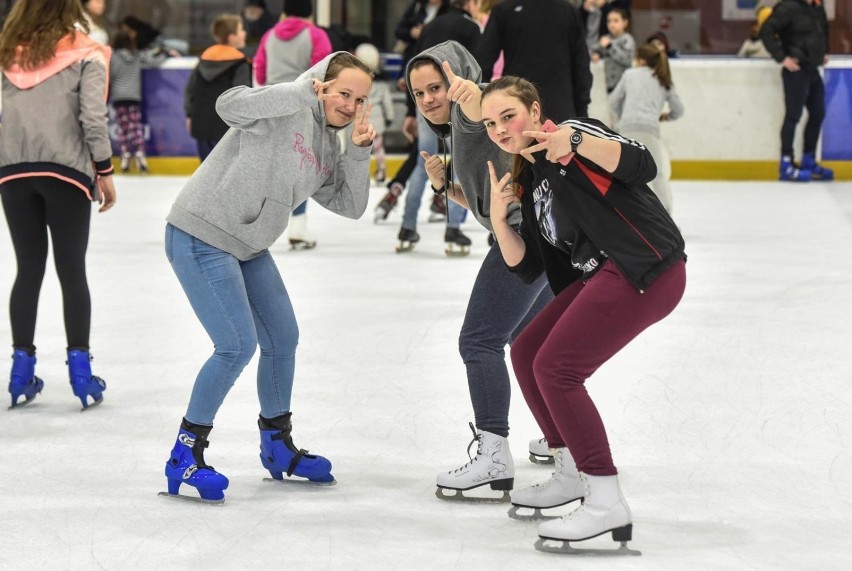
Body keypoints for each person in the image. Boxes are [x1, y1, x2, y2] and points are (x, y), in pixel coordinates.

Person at [480, 75, 686, 550]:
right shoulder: (531, 179)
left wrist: (573, 142)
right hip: (605, 274)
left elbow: (643, 164)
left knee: (557, 369)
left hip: (645, 265)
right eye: (491, 124)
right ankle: (570, 472)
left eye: (508, 116)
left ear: (533, 110)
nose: (501, 129)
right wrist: (497, 220)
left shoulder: (574, 133)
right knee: (528, 350)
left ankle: (606, 501)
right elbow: (529, 266)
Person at [161, 52, 375, 503]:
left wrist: (358, 151)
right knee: (235, 345)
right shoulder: (285, 106)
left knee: (283, 337)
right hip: (202, 232)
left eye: (360, 99)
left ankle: (277, 446)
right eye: (344, 93)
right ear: (321, 83)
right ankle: (185, 453)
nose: (351, 105)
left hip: (247, 246)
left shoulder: (328, 145)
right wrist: (299, 92)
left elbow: (350, 205)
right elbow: (228, 104)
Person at [405, 41, 554, 500]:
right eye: (420, 92)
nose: (430, 98)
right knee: (530, 344)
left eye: (438, 86)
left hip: (524, 238)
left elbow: (477, 104)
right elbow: (485, 203)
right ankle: (563, 438)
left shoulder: (476, 109)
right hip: (541, 236)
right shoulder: (455, 128)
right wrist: (443, 187)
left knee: (479, 340)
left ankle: (492, 456)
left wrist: (468, 97)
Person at [0, 0, 117, 410]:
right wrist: (104, 170)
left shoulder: (5, 52)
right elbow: (92, 117)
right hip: (66, 172)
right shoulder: (85, 52)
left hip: (12, 173)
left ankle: (19, 371)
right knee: (71, 271)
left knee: (28, 269)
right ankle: (81, 373)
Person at [394, 0, 480, 255]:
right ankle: (453, 227)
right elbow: (478, 67)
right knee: (459, 163)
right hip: (459, 102)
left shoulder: (431, 25)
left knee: (424, 163)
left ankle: (407, 226)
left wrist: (413, 110)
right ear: (470, 4)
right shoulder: (471, 27)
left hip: (426, 105)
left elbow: (416, 71)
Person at [254, 0, 333, 249]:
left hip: (273, 105)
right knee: (301, 167)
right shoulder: (316, 35)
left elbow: (260, 70)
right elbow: (325, 73)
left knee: (272, 167)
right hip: (303, 108)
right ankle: (298, 226)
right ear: (310, 13)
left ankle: (257, 225)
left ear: (285, 12)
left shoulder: (268, 36)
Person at [477, 0, 592, 123]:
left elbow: (482, 63)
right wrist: (582, 111)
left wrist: (484, 105)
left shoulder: (504, 9)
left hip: (518, 108)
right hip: (558, 109)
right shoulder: (569, 10)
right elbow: (581, 65)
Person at [760, 0, 833, 182]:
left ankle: (808, 159)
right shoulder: (788, 7)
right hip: (796, 70)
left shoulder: (816, 6)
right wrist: (781, 57)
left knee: (818, 113)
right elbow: (766, 30)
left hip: (812, 69)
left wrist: (822, 52)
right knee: (793, 116)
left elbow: (822, 29)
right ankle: (786, 163)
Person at [609, 43, 684, 212]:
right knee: (657, 175)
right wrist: (665, 116)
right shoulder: (663, 79)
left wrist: (622, 119)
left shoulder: (629, 74)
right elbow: (679, 109)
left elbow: (613, 101)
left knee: (624, 175)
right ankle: (667, 219)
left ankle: (622, 215)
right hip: (650, 131)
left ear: (641, 60)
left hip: (627, 129)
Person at [184, 14, 252, 162]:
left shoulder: (204, 58)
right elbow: (241, 97)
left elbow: (191, 89)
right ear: (232, 36)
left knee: (206, 172)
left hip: (201, 123)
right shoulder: (240, 63)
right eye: (241, 30)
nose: (244, 33)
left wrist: (190, 115)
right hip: (226, 127)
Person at [109, 29, 173, 173]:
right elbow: (154, 62)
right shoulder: (137, 56)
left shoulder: (112, 57)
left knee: (124, 127)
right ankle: (139, 154)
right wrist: (165, 54)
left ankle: (125, 156)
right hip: (133, 96)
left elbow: (110, 75)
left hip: (119, 96)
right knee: (135, 127)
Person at [354, 43, 394, 183]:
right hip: (377, 122)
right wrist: (390, 116)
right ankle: (381, 170)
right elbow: (387, 101)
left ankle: (359, 175)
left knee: (358, 149)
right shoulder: (382, 83)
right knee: (378, 147)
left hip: (359, 120)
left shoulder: (356, 81)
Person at [590, 7, 635, 94]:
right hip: (610, 84)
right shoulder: (606, 38)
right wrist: (595, 54)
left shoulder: (627, 39)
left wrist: (610, 46)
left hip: (624, 84)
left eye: (616, 21)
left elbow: (627, 59)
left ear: (625, 22)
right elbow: (593, 49)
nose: (612, 24)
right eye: (609, 21)